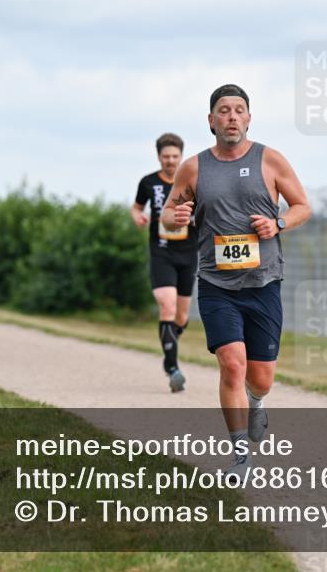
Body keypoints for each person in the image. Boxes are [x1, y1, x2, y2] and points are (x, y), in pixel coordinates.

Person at [161, 84, 311, 474]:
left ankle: (256, 401)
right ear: (211, 121)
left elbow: (302, 207)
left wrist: (277, 223)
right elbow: (168, 211)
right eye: (223, 111)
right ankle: (241, 456)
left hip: (263, 283)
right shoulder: (194, 167)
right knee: (232, 363)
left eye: (238, 110)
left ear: (248, 118)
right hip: (216, 283)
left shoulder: (271, 160)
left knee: (259, 378)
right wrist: (173, 218)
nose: (231, 117)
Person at [132, 132, 198, 392]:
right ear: (158, 157)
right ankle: (173, 368)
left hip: (188, 253)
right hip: (161, 252)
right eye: (165, 156)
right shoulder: (148, 182)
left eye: (175, 156)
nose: (170, 161)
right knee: (167, 306)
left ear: (181, 156)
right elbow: (137, 207)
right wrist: (137, 216)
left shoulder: (192, 182)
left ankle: (169, 345)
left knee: (181, 317)